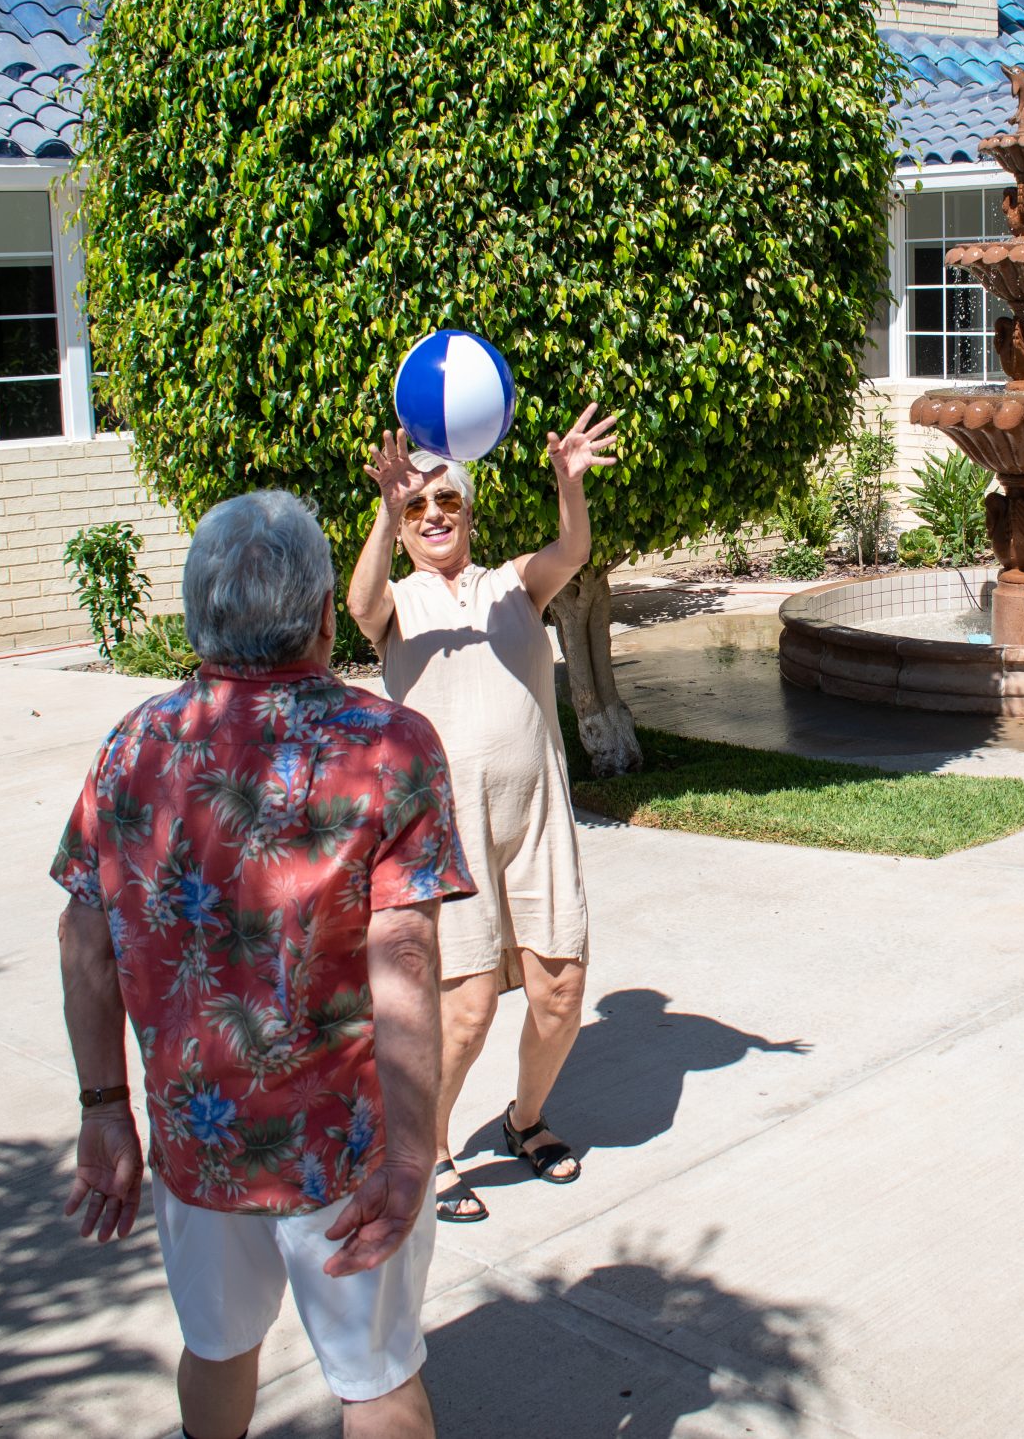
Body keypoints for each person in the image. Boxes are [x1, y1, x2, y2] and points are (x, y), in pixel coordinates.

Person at [50, 489, 473, 1439]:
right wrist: (412, 1151)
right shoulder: (386, 745)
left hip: (197, 1147)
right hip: (344, 1153)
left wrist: (103, 1110)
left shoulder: (134, 746)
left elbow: (83, 937)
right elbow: (403, 950)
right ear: (326, 614)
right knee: (374, 1380)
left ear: (198, 612)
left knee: (215, 1347)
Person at [347, 404, 621, 1225]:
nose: (435, 515)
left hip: (536, 819)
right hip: (451, 834)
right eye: (419, 508)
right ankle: (426, 1150)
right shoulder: (398, 604)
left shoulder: (511, 585)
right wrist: (382, 508)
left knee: (562, 992)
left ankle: (523, 1119)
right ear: (404, 525)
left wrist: (569, 485)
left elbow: (572, 551)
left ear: (468, 513)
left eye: (448, 503)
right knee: (464, 1012)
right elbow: (359, 604)